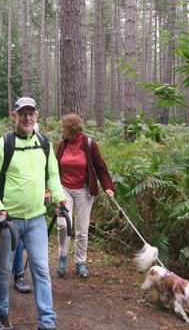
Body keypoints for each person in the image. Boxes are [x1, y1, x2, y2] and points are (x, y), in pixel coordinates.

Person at [0, 96, 66, 330]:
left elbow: (53, 176)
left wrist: (59, 198)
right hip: (9, 221)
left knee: (41, 269)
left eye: (32, 113)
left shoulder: (44, 143)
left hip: (37, 219)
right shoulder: (3, 145)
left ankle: (47, 322)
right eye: (23, 113)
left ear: (36, 116)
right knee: (4, 269)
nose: (28, 117)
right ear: (14, 116)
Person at [55, 113, 115, 279]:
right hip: (63, 189)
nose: (61, 130)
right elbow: (53, 168)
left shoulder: (89, 144)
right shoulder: (62, 145)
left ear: (70, 129)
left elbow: (100, 168)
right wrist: (49, 188)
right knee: (63, 225)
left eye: (63, 128)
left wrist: (108, 187)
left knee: (82, 229)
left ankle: (80, 262)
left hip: (84, 190)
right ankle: (62, 257)